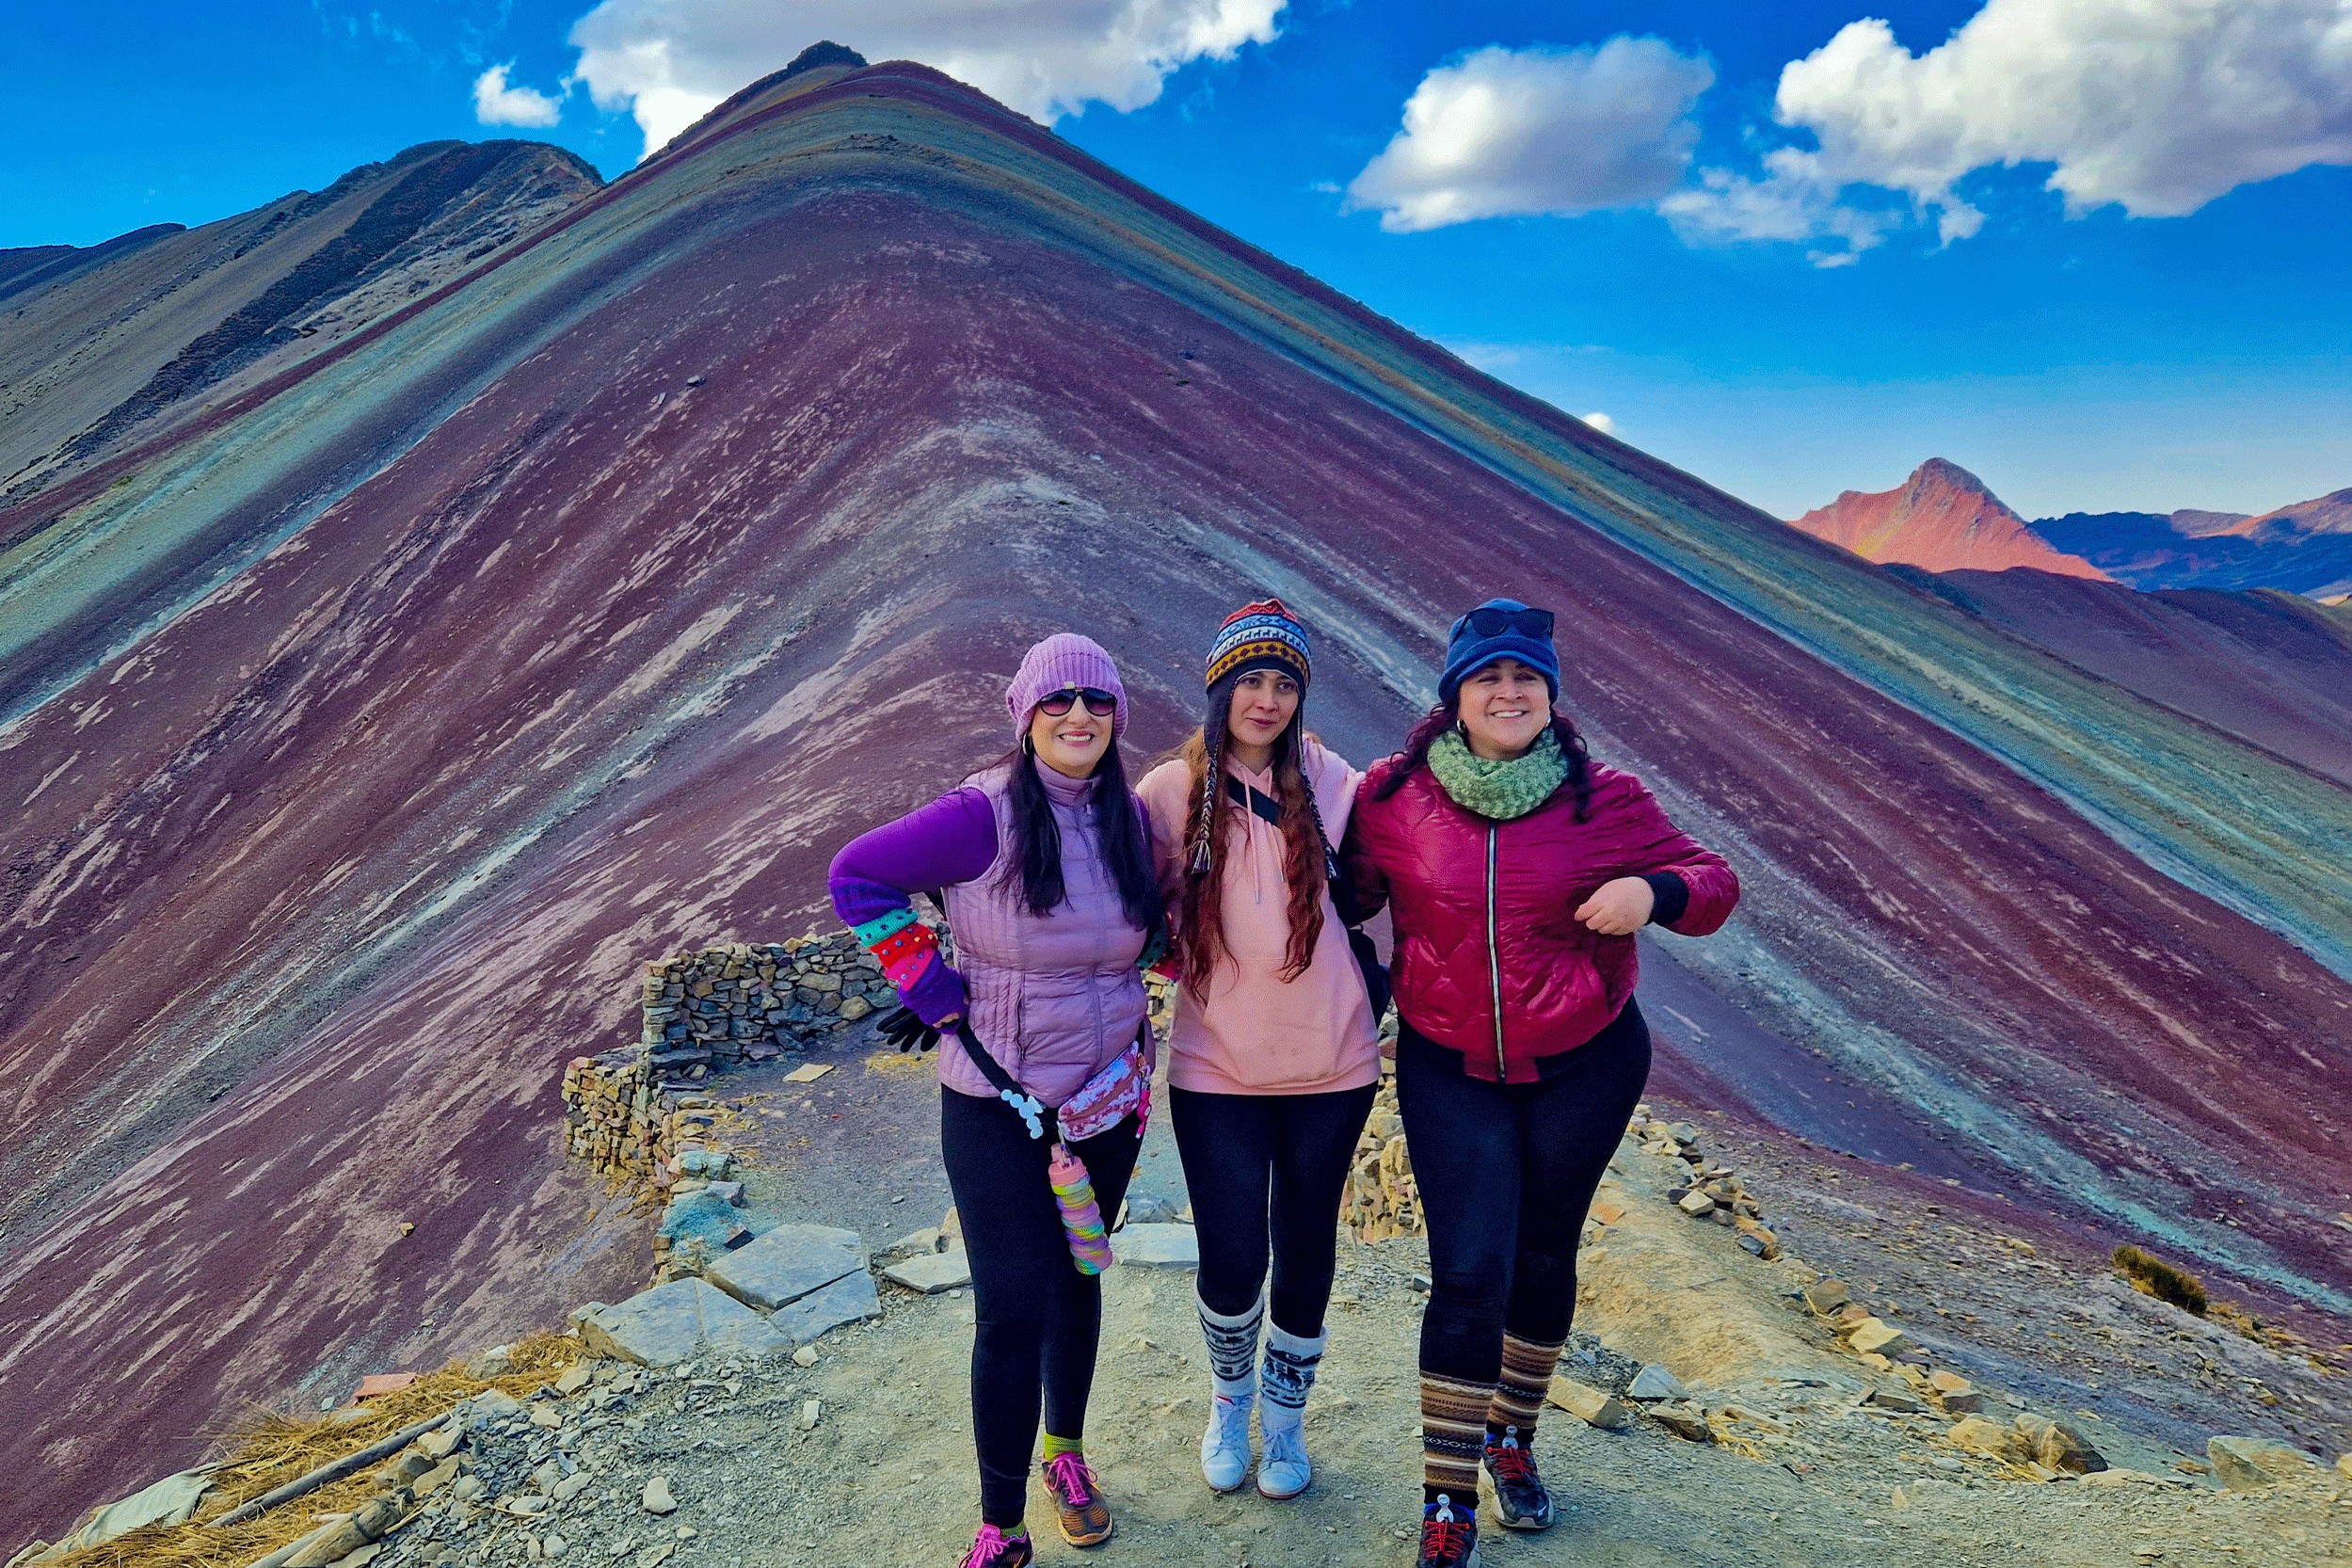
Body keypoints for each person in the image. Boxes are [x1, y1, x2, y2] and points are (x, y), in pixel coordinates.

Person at [1338, 599, 1739, 1568]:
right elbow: (1344, 891)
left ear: (1551, 694)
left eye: (1527, 677)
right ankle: (1447, 1494)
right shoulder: (1393, 798)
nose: (1509, 692)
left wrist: (1655, 892)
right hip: (1449, 1063)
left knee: (1543, 1258)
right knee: (1469, 1270)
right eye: (1489, 677)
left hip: (1587, 1062)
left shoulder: (1606, 797)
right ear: (1455, 697)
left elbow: (1713, 878)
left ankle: (1512, 1441)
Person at [829, 632, 1160, 1568]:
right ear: (1024, 716)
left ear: (1117, 716)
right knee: (1013, 1304)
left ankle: (1067, 1452)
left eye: (1097, 700)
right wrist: (927, 987)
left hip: (1108, 1102)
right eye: (1057, 702)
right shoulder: (983, 814)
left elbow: (1162, 928)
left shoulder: (1133, 821)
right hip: (998, 1107)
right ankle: (1001, 1521)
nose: (1078, 717)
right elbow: (856, 874)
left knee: (1078, 1279)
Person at [1136, 600, 1382, 1501]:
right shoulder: (1168, 794)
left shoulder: (1328, 779)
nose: (1267, 699)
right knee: (1233, 1252)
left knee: (1307, 1242)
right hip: (1218, 1067)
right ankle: (1228, 1404)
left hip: (1333, 1060)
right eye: (1251, 679)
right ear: (1219, 687)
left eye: (1284, 682)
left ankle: (1285, 1425)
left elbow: (1407, 845)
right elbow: (1123, 899)